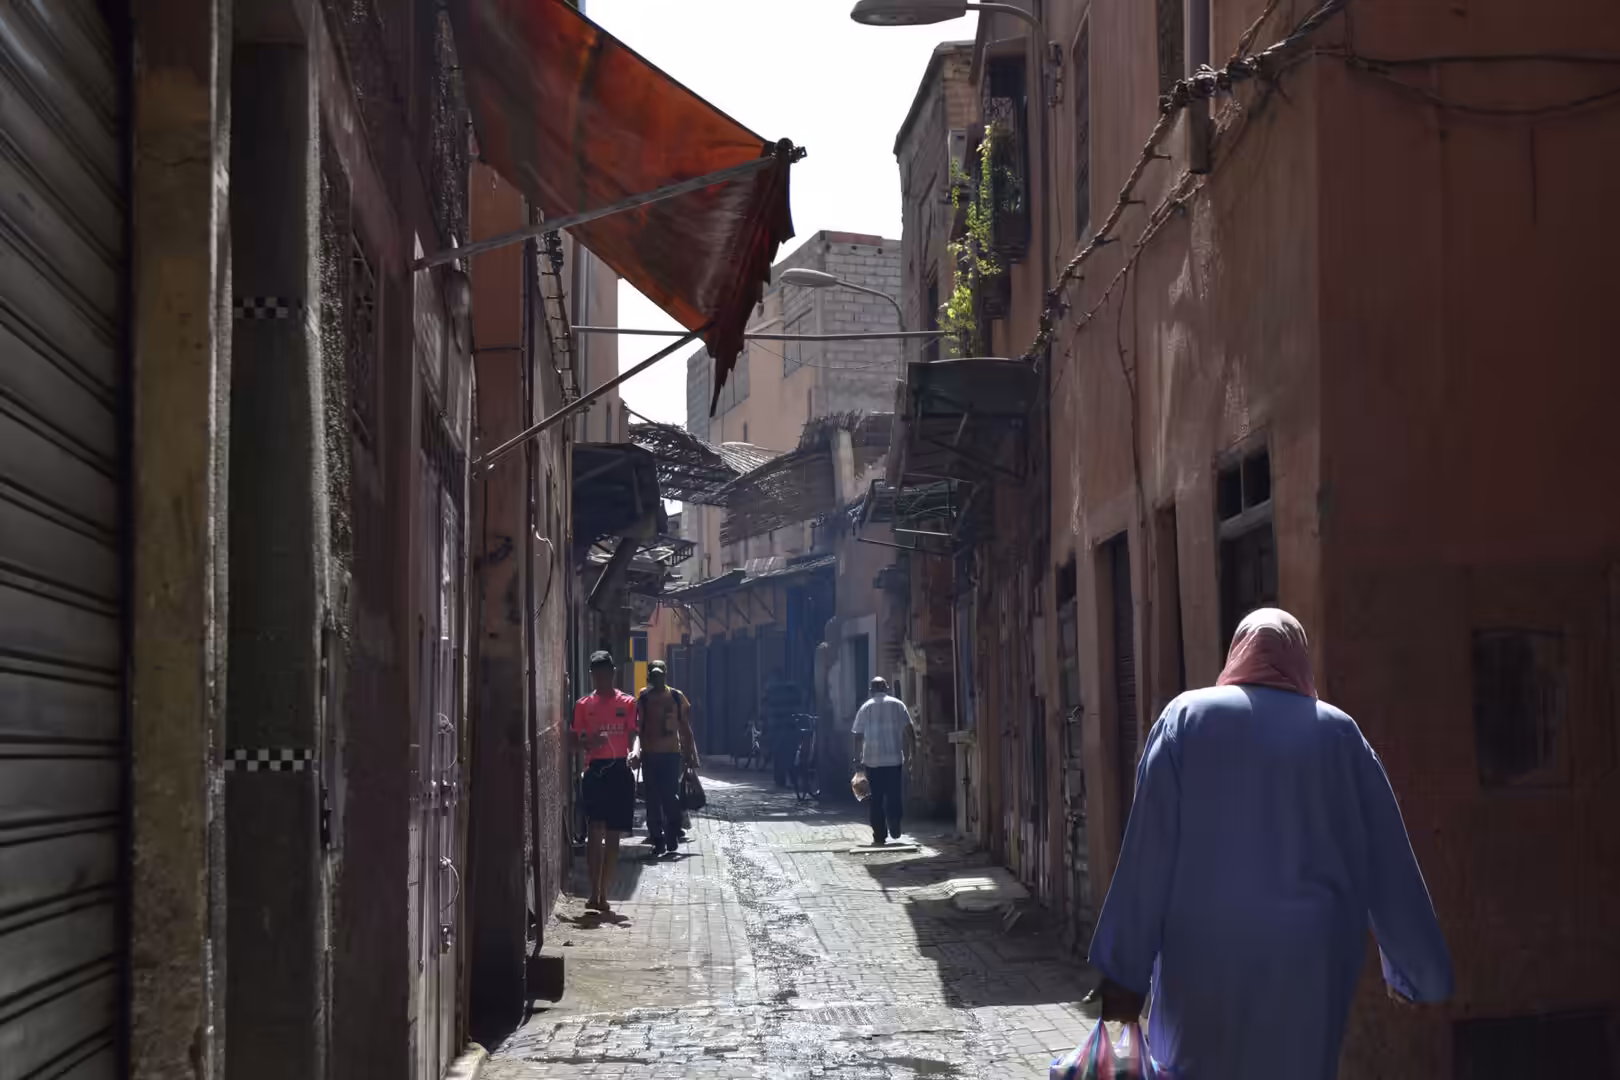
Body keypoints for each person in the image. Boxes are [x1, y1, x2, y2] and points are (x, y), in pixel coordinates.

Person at [1086, 608, 1453, 1079]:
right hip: (1310, 968)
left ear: (1237, 653)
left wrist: (1124, 972)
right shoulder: (1340, 733)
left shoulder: (1186, 718)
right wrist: (1417, 971)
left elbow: (1146, 856)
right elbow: (1389, 863)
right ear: (1300, 660)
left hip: (1202, 965)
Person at [571, 650, 637, 914]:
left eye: (605, 675)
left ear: (613, 674)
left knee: (612, 836)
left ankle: (604, 893)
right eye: (595, 675)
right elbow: (573, 741)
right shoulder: (583, 705)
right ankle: (593, 890)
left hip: (620, 770)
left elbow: (635, 734)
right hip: (595, 771)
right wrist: (589, 743)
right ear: (591, 676)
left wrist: (635, 752)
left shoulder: (628, 703)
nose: (600, 680)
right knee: (594, 830)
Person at [633, 660, 699, 858]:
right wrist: (637, 751)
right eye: (654, 675)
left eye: (660, 674)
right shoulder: (644, 699)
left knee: (670, 798)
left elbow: (685, 728)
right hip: (650, 755)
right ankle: (658, 839)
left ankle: (671, 836)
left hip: (671, 756)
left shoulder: (677, 697)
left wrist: (690, 752)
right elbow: (638, 728)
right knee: (652, 800)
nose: (657, 678)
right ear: (649, 676)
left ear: (665, 674)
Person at [850, 676, 915, 847]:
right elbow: (909, 730)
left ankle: (879, 835)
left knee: (876, 799)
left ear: (871, 691)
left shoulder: (866, 707)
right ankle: (894, 823)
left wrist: (857, 758)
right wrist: (912, 753)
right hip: (894, 759)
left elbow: (858, 735)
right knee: (894, 795)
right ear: (886, 688)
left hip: (872, 761)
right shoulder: (898, 704)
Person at [761, 672, 802, 788]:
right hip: (790, 725)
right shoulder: (792, 689)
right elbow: (799, 703)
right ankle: (792, 776)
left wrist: (764, 724)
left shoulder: (769, 690)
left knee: (778, 754)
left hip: (775, 726)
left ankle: (780, 779)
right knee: (790, 752)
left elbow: (764, 708)